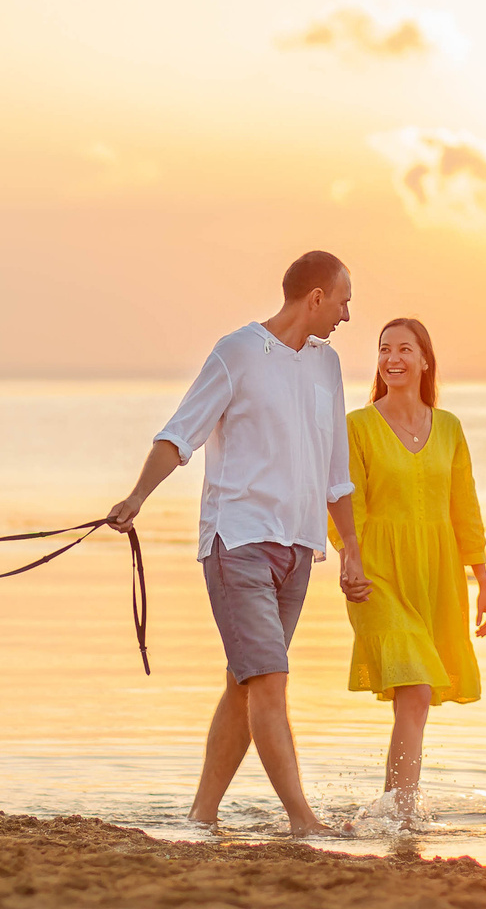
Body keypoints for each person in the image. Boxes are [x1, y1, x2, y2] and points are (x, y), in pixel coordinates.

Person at [106, 251, 360, 836]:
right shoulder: (237, 352)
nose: (347, 315)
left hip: (298, 547)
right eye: (343, 300)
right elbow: (181, 432)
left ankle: (201, 815)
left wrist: (351, 548)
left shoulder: (327, 366)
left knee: (244, 682)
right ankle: (303, 822)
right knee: (268, 678)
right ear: (316, 297)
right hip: (238, 540)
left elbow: (335, 471)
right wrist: (138, 495)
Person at [339, 317, 486, 826]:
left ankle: (395, 808)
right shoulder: (357, 426)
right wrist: (350, 557)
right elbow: (345, 503)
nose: (393, 359)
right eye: (384, 350)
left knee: (415, 695)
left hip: (437, 573)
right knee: (417, 686)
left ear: (425, 360)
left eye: (404, 349)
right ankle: (404, 811)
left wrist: (484, 583)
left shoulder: (448, 426)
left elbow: (464, 508)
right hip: (376, 572)